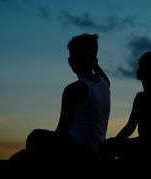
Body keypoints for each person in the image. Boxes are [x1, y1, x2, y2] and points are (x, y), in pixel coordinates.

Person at [10, 34, 110, 176]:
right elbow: (99, 72)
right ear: (94, 59)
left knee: (32, 139)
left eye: (71, 57)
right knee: (37, 136)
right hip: (94, 149)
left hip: (76, 149)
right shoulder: (104, 83)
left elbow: (61, 131)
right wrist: (93, 61)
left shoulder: (74, 89)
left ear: (71, 61)